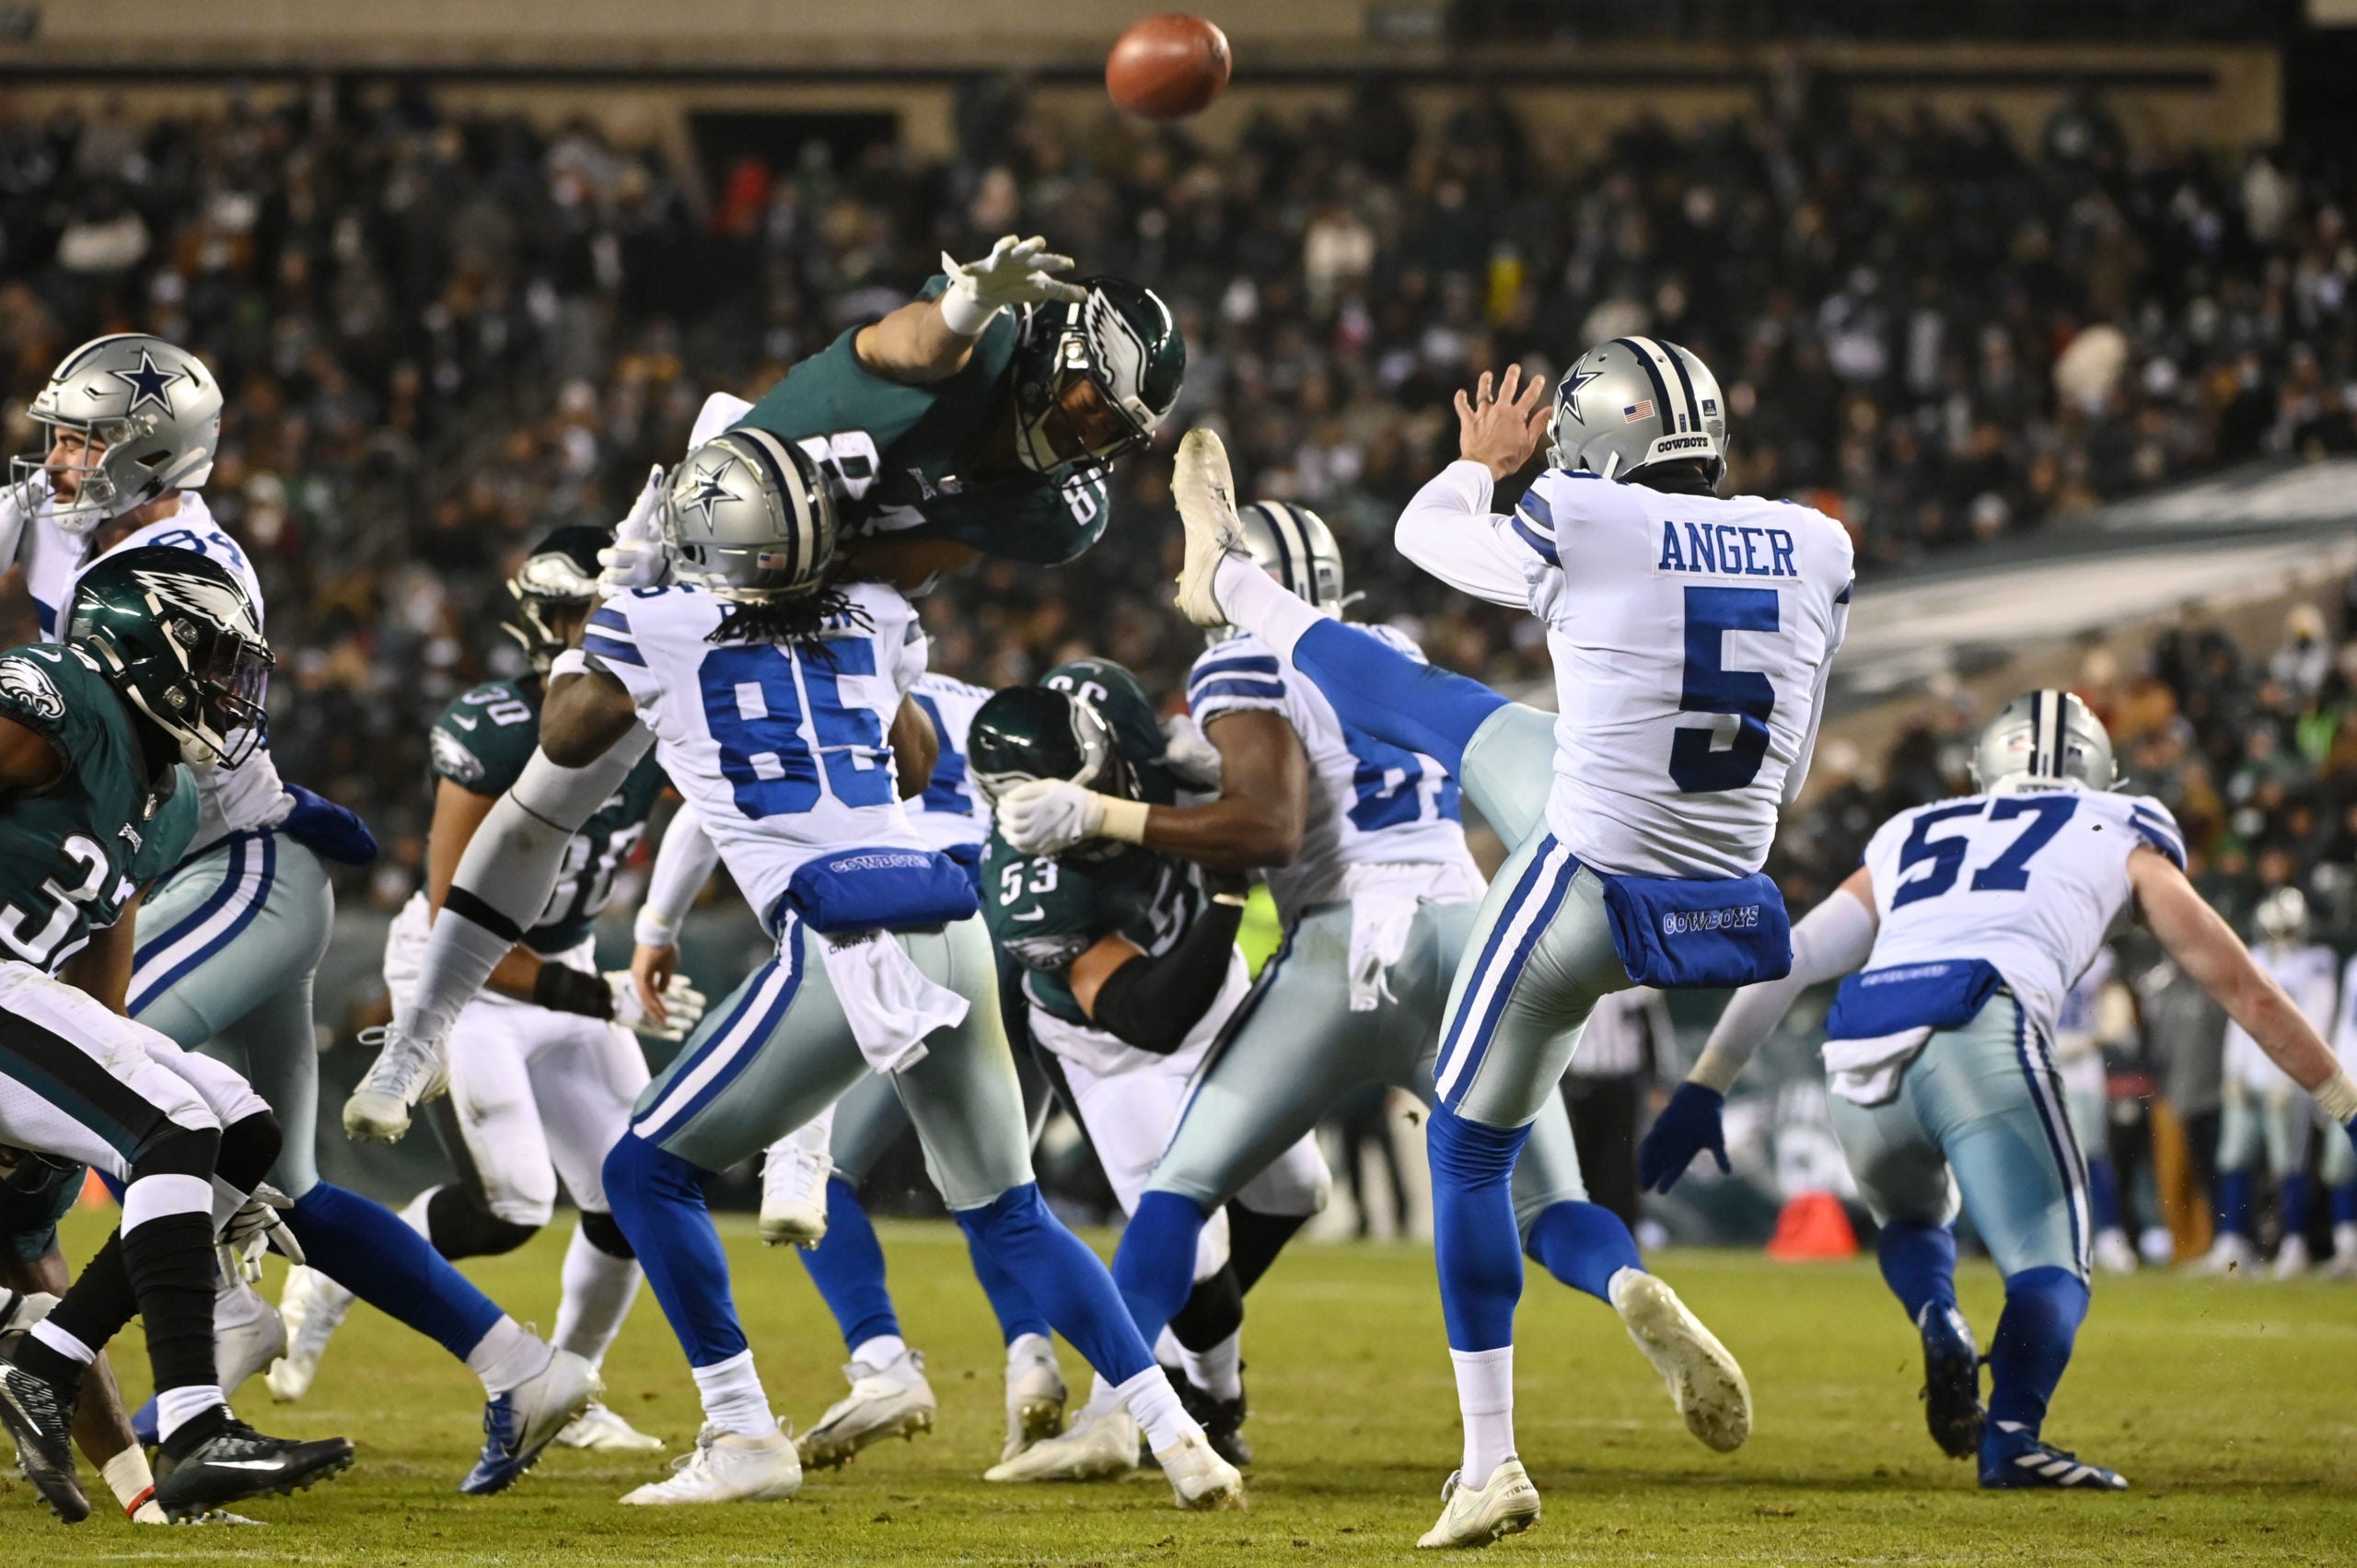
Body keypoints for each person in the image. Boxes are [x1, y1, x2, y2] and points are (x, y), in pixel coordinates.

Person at [343, 427, 1244, 1511]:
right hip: (945, 909)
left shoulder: (658, 621)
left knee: (643, 1173)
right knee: (1010, 1209)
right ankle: (1175, 1430)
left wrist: (620, 609)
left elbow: (569, 732)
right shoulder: (865, 617)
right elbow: (914, 760)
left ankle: (738, 1429)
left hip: (839, 929)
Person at [1162, 339, 1849, 1547]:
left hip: (1585, 878)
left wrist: (1483, 463)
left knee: (1471, 1157)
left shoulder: (1583, 511)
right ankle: (1624, 1273)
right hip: (1725, 877)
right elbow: (1789, 764)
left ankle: (1490, 1461)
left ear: (1595, 441)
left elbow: (1430, 536)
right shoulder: (1816, 542)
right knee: (1447, 712)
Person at [997, 500, 1752, 1475]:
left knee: (1180, 1189)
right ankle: (1624, 1282)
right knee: (1548, 1203)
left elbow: (1268, 824)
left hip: (1345, 940)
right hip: (1473, 933)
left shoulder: (1237, 658)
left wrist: (1105, 806)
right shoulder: (1382, 642)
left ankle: (1115, 1409)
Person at [30, 339, 599, 1494]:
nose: (63, 459)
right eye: (63, 433)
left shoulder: (167, 565)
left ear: (151, 450)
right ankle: (520, 1364)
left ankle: (103, 1349)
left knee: (95, 1111)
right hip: (231, 871)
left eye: (88, 437)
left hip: (230, 867)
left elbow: (141, 769)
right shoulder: (135, 543)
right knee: (273, 1175)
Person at [1645, 691, 2357, 1492]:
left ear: (1987, 766)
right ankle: (2013, 1435)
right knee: (2053, 1260)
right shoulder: (2119, 826)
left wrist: (1706, 1084)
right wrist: (2344, 1101)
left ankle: (1936, 1314)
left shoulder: (1914, 829)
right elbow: (2248, 992)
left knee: (1914, 1218)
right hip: (1980, 1020)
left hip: (1858, 1039)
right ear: (2099, 771)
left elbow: (1797, 953)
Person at [271, 528, 694, 1454]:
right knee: (510, 1208)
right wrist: (599, 996)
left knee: (631, 1198)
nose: (600, 628)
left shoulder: (662, 718)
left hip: (572, 964)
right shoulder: (495, 729)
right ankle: (333, 1275)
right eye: (584, 612)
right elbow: (460, 919)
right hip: (463, 979)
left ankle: (568, 1388)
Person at [626, 669, 1074, 1470]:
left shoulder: (819, 688)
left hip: (903, 918)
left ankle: (881, 1364)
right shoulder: (980, 704)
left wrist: (657, 925)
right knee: (1001, 1192)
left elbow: (710, 805)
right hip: (1011, 929)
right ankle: (1030, 1359)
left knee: (819, 1174)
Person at [0, 548, 353, 1522]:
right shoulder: (54, 693)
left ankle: (49, 1355)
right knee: (169, 1126)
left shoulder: (171, 796)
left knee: (238, 1124)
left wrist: (69, 1090)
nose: (230, 695)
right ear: (142, 642)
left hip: (22, 991)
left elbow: (101, 967)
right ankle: (197, 1425)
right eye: (214, 664)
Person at [970, 662, 1331, 1481]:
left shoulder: (1109, 702)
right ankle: (1214, 1396)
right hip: (1120, 1054)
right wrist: (1230, 899)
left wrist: (1192, 757)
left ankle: (1165, 1355)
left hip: (1221, 1002)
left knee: (1297, 1190)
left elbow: (1187, 747)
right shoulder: (1030, 890)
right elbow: (1148, 1016)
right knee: (1197, 1248)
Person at [2192, 888, 2344, 1277]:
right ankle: (2231, 1242)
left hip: (2286, 1082)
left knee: (2288, 1165)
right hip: (2249, 1078)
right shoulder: (2254, 958)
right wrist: (2232, 1072)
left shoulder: (2315, 965)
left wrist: (2298, 1078)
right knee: (2233, 1160)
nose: (2280, 936)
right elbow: (2238, 1019)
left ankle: (2294, 1244)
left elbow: (2317, 1022)